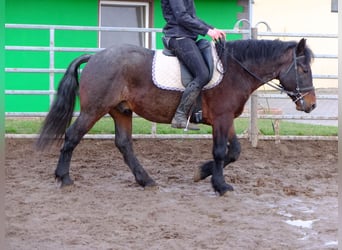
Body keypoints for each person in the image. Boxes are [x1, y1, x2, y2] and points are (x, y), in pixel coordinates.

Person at [161, 0, 225, 130]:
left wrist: (212, 28)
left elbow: (192, 17)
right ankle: (179, 116)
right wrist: (207, 31)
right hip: (178, 36)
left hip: (187, 37)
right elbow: (182, 17)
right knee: (202, 74)